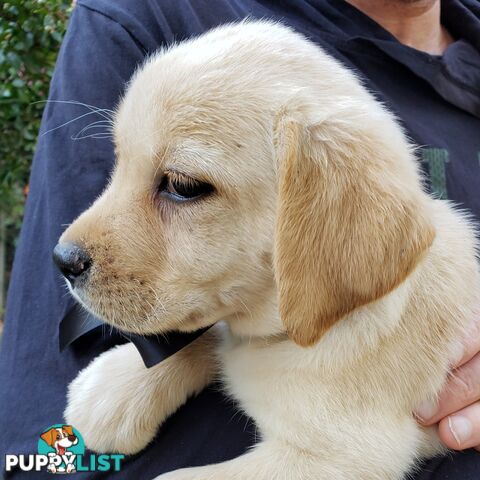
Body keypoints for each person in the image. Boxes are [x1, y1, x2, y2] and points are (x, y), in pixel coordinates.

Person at [0, 0, 479, 478]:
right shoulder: (150, 16)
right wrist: (180, 359)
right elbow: (43, 454)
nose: (75, 242)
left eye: (183, 186)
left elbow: (343, 455)